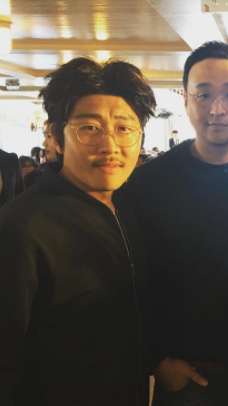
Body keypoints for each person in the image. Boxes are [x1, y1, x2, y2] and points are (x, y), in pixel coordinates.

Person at [126, 41, 228, 406]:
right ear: (186, 101)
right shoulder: (150, 182)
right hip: (187, 372)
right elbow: (134, 279)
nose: (217, 109)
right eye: (203, 95)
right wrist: (157, 359)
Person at [0, 57, 157, 406]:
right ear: (56, 136)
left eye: (124, 128)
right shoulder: (21, 229)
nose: (110, 145)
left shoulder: (129, 207)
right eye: (90, 128)